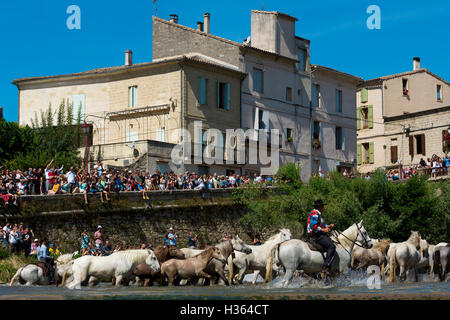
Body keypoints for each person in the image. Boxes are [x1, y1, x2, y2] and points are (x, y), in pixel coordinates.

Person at [307, 199, 336, 275]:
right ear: (319, 206)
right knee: (332, 246)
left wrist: (328, 226)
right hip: (315, 235)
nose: (323, 207)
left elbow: (321, 225)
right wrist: (323, 230)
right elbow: (313, 226)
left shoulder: (317, 213)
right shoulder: (315, 213)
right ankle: (325, 266)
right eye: (322, 206)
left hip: (317, 234)